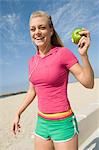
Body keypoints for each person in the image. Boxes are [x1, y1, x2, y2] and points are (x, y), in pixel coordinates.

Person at [12, 10, 94, 150]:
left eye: (42, 27)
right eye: (33, 29)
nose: (37, 32)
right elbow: (32, 91)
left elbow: (89, 83)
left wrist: (84, 55)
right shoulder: (32, 61)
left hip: (63, 123)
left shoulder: (63, 53)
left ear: (51, 31)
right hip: (42, 123)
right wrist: (18, 113)